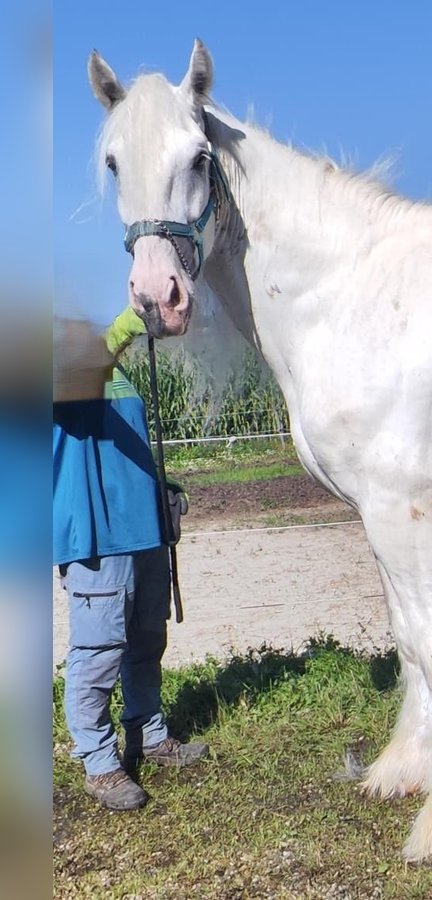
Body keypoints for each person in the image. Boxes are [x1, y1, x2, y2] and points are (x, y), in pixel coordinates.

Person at [53, 306, 208, 811]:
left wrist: (157, 488)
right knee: (99, 651)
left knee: (147, 638)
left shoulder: (114, 368)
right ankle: (98, 762)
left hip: (142, 528)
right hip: (97, 534)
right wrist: (123, 327)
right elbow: (73, 381)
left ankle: (148, 732)